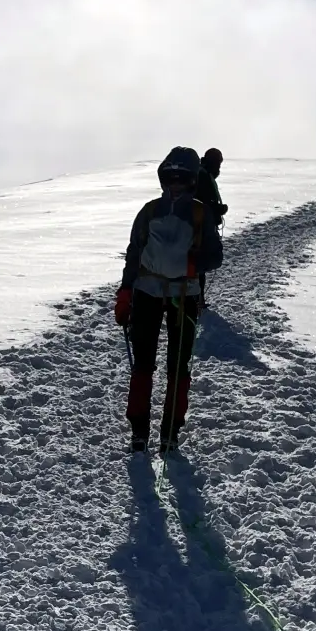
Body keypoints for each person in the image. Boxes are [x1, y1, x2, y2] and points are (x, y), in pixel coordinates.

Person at [115, 147, 222, 452]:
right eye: (170, 178)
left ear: (190, 181)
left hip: (184, 296)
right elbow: (134, 253)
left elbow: (215, 256)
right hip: (147, 293)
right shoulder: (149, 211)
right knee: (143, 364)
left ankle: (170, 432)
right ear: (164, 179)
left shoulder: (201, 213)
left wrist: (192, 266)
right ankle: (139, 430)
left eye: (181, 179)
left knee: (178, 367)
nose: (175, 185)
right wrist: (125, 292)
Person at [195, 148, 228, 223]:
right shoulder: (203, 176)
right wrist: (219, 209)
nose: (219, 167)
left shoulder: (205, 174)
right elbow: (204, 201)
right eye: (218, 163)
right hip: (202, 223)